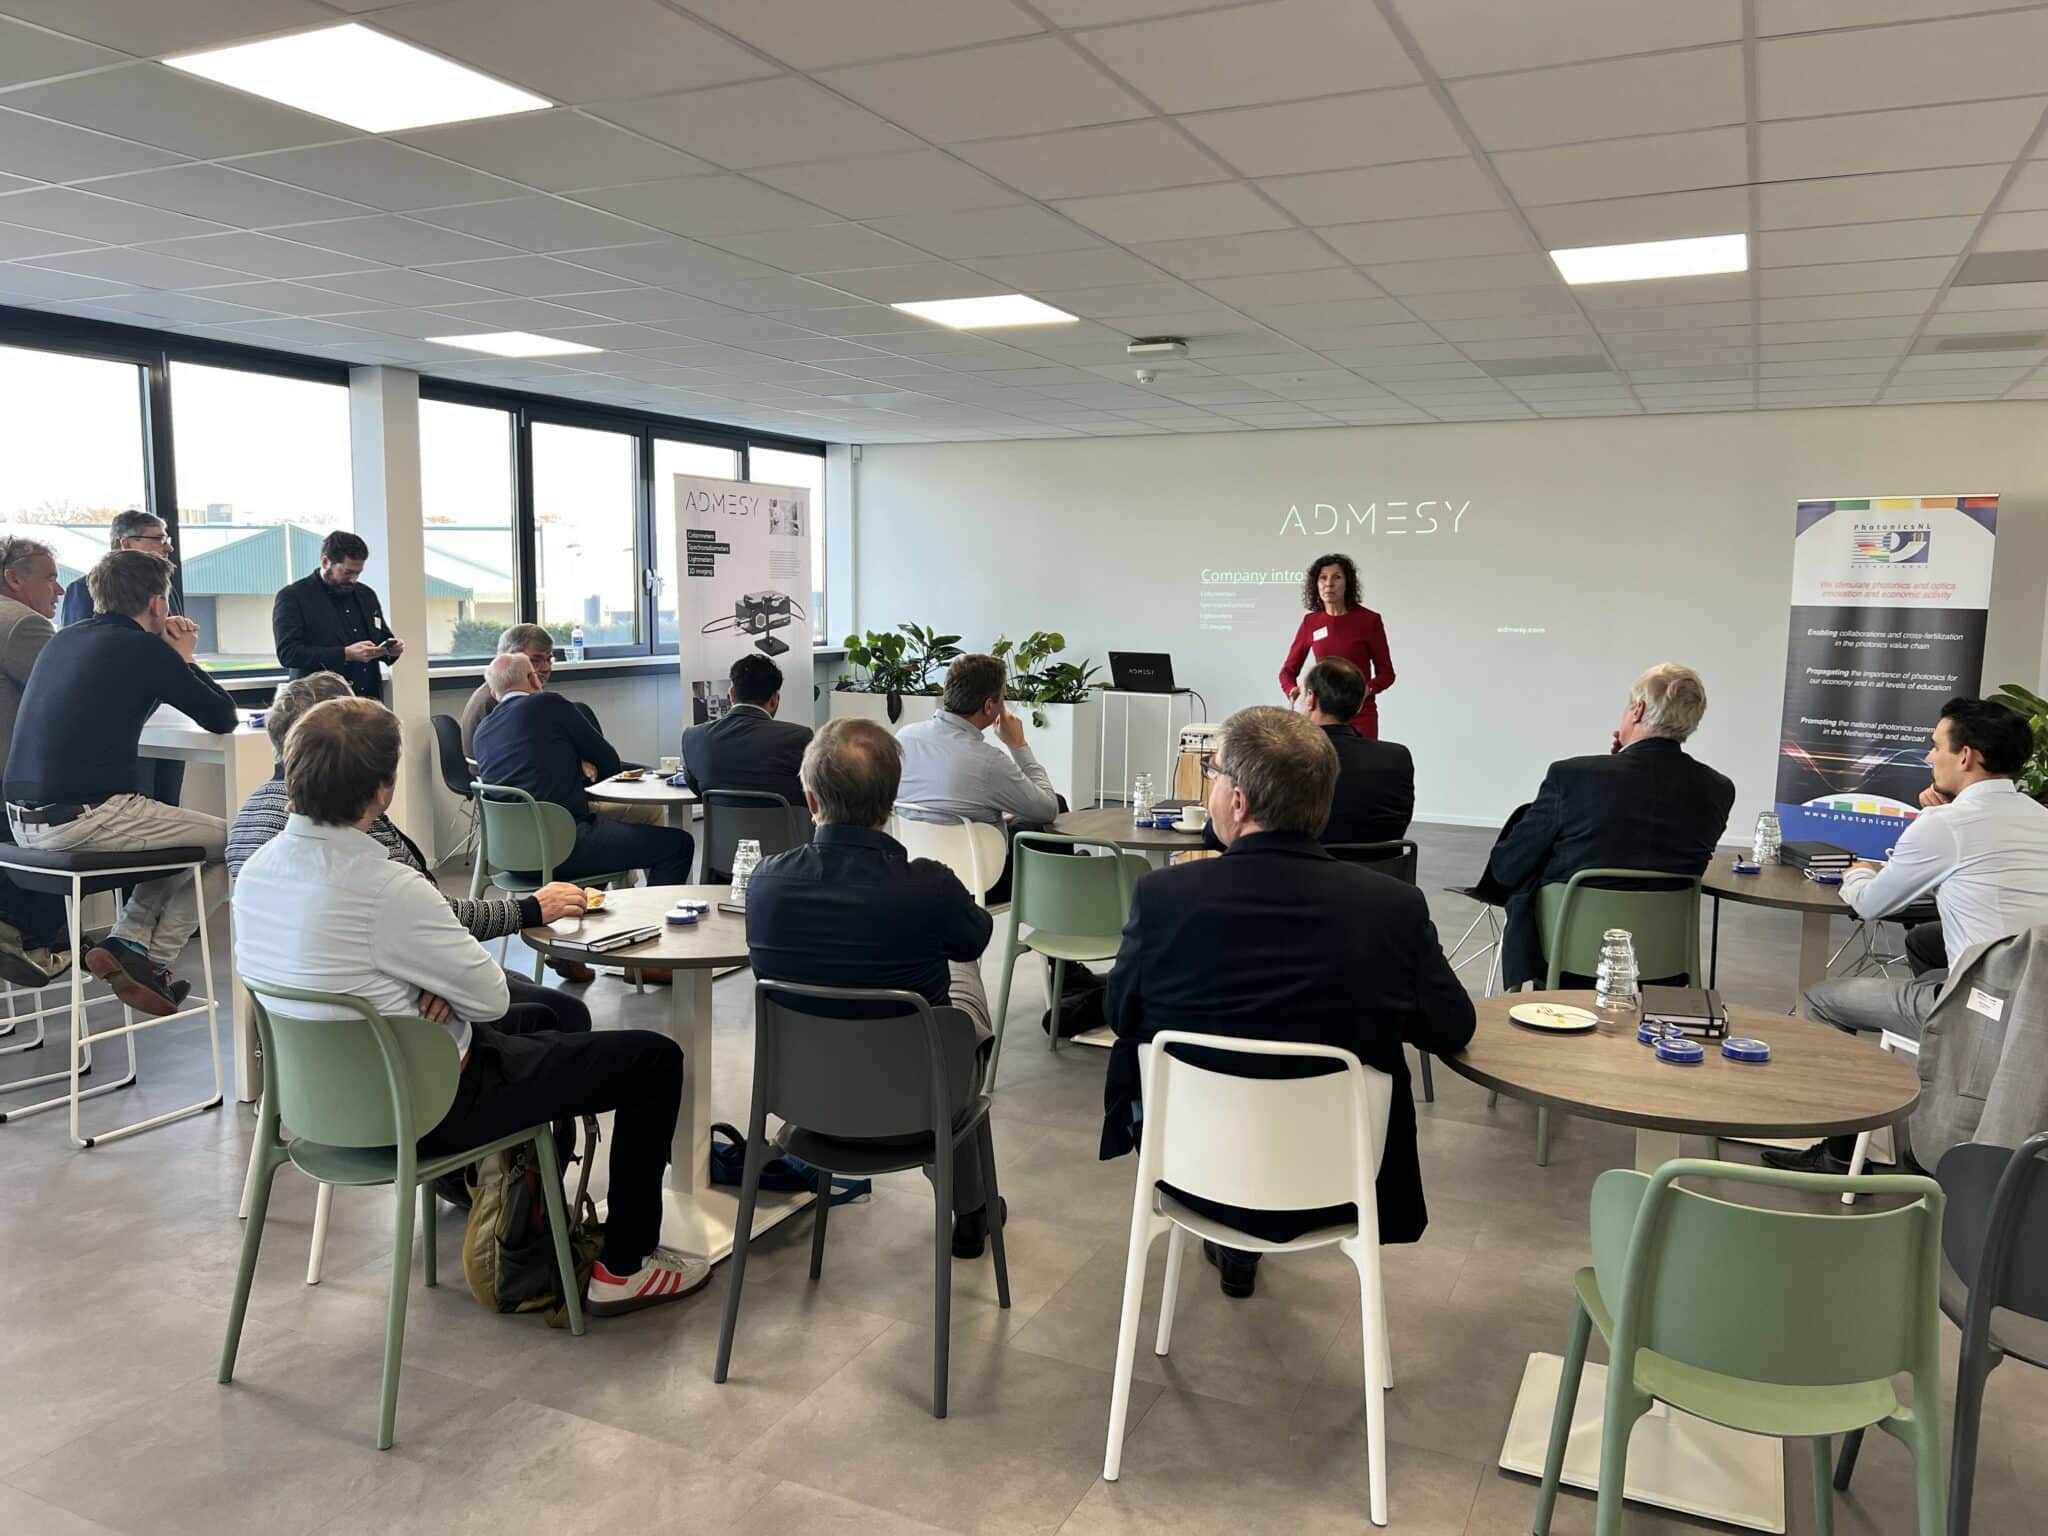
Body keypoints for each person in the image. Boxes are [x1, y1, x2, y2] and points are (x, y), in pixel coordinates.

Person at [233, 696, 705, 1312]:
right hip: (429, 1103)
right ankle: (625, 1267)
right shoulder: (387, 886)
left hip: (316, 1106)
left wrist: (423, 993)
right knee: (654, 1059)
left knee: (547, 1019)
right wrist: (437, 994)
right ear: (382, 790)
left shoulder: (256, 873)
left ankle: (520, 1205)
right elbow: (487, 994)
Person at [1101, 706, 1474, 1299]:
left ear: (1239, 802)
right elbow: (1451, 1025)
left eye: (1214, 774)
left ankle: (1234, 1242)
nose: (1211, 788)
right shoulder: (1390, 908)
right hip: (1342, 1182)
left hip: (1189, 1171)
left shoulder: (1164, 898)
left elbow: (1119, 1013)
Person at [744, 717, 1005, 1257]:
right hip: (919, 1105)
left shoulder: (765, 882)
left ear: (811, 801)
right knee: (961, 985)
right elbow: (976, 937)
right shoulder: (929, 885)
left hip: (804, 1103)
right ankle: (972, 1208)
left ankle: (972, 1204)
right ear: (890, 804)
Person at [1766, 697, 2048, 1173]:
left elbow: (1872, 903)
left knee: (1821, 999)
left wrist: (1859, 871)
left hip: (1985, 1012)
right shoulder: (2039, 817)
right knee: (1924, 942)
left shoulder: (1946, 826)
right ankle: (1941, 1084)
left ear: (1966, 756)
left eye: (1936, 746)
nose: (1929, 756)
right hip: (2036, 1004)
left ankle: (1839, 1155)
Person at [227, 671, 598, 1017]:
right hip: (386, 1003)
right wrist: (528, 911)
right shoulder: (343, 827)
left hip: (308, 1012)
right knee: (561, 1013)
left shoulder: (256, 827)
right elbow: (420, 918)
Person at [3, 551, 236, 1015]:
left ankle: (128, 941)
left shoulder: (65, 640)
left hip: (20, 825)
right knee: (239, 843)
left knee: (174, 838)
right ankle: (152, 957)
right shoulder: (144, 649)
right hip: (83, 819)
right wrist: (184, 657)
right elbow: (222, 716)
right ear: (156, 603)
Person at [1480, 663, 1734, 991]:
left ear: (1637, 710)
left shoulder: (1573, 776)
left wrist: (1607, 769)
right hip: (1663, 969)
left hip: (1569, 964)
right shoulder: (1717, 790)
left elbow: (1506, 869)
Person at [472, 653, 695, 889]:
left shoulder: (482, 731)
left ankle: (595, 907)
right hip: (564, 848)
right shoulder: (549, 704)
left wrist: (570, 763)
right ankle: (650, 913)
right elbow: (609, 762)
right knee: (678, 846)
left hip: (511, 857)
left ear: (495, 693)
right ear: (533, 679)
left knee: (609, 835)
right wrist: (580, 765)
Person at [897, 653, 1060, 903]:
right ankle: (1062, 901)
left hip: (914, 872)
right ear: (989, 707)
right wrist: (1018, 745)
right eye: (1003, 697)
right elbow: (1048, 809)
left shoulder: (904, 738)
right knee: (1055, 808)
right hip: (978, 881)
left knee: (1019, 819)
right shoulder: (989, 761)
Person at [461, 624, 660, 826]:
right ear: (511, 659)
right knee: (641, 794)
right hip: (544, 812)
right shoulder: (500, 706)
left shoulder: (495, 698)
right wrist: (578, 763)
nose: (546, 667)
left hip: (514, 816)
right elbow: (521, 764)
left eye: (549, 659)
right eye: (536, 660)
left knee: (642, 773)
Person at [59, 511, 186, 809]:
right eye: (159, 539)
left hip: (166, 708)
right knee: (138, 802)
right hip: (120, 718)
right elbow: (85, 656)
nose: (168, 547)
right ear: (127, 543)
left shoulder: (163, 588)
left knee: (169, 804)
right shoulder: (85, 588)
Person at [0, 538, 70, 983]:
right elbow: (71, 694)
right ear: (13, 578)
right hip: (13, 785)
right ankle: (35, 943)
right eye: (50, 578)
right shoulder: (21, 624)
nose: (59, 590)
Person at [680, 652, 813, 827]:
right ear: (775, 699)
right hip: (788, 842)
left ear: (731, 694)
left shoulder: (694, 738)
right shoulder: (800, 738)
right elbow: (815, 793)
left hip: (724, 843)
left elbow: (697, 788)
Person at [1294, 656, 1414, 845]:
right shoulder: (1398, 757)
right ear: (1359, 706)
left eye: (1301, 696)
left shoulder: (1291, 758)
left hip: (1309, 863)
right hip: (1383, 863)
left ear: (1311, 698)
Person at [271, 530, 401, 699]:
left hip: (366, 699)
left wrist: (390, 650)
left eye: (358, 573)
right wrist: (345, 654)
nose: (353, 579)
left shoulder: (366, 595)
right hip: (318, 701)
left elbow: (381, 636)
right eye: (347, 572)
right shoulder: (293, 596)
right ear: (326, 562)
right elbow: (288, 653)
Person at [1279, 552, 1395, 740]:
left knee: (1362, 759)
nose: (1329, 584)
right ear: (1316, 584)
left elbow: (1387, 674)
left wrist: (1366, 690)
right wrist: (1292, 689)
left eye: (1336, 577)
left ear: (1348, 583)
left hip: (1360, 713)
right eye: (1323, 578)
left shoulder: (1369, 620)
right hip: (1322, 715)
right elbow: (1287, 672)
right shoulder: (1311, 622)